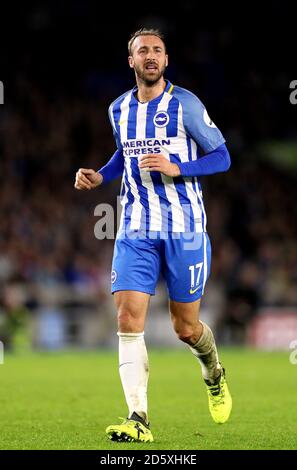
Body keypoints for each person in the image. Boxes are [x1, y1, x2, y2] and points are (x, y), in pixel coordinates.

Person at [75, 28, 232, 443]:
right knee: (127, 319)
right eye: (143, 50)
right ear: (131, 61)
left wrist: (179, 167)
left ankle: (213, 372)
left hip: (185, 231)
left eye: (157, 51)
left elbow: (222, 156)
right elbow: (124, 156)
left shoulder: (186, 105)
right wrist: (99, 175)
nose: (151, 56)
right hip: (134, 228)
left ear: (165, 60)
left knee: (186, 327)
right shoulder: (118, 109)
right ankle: (137, 418)